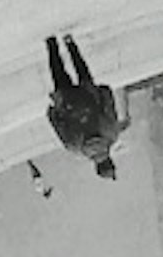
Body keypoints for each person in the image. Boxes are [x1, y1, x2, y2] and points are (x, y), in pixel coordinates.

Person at [41, 29, 122, 176]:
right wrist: (53, 111)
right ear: (96, 167)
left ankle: (70, 43)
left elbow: (109, 108)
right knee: (58, 74)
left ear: (110, 160)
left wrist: (104, 91)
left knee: (82, 70)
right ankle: (51, 45)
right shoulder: (74, 148)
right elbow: (59, 126)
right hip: (67, 103)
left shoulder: (112, 134)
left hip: (88, 96)